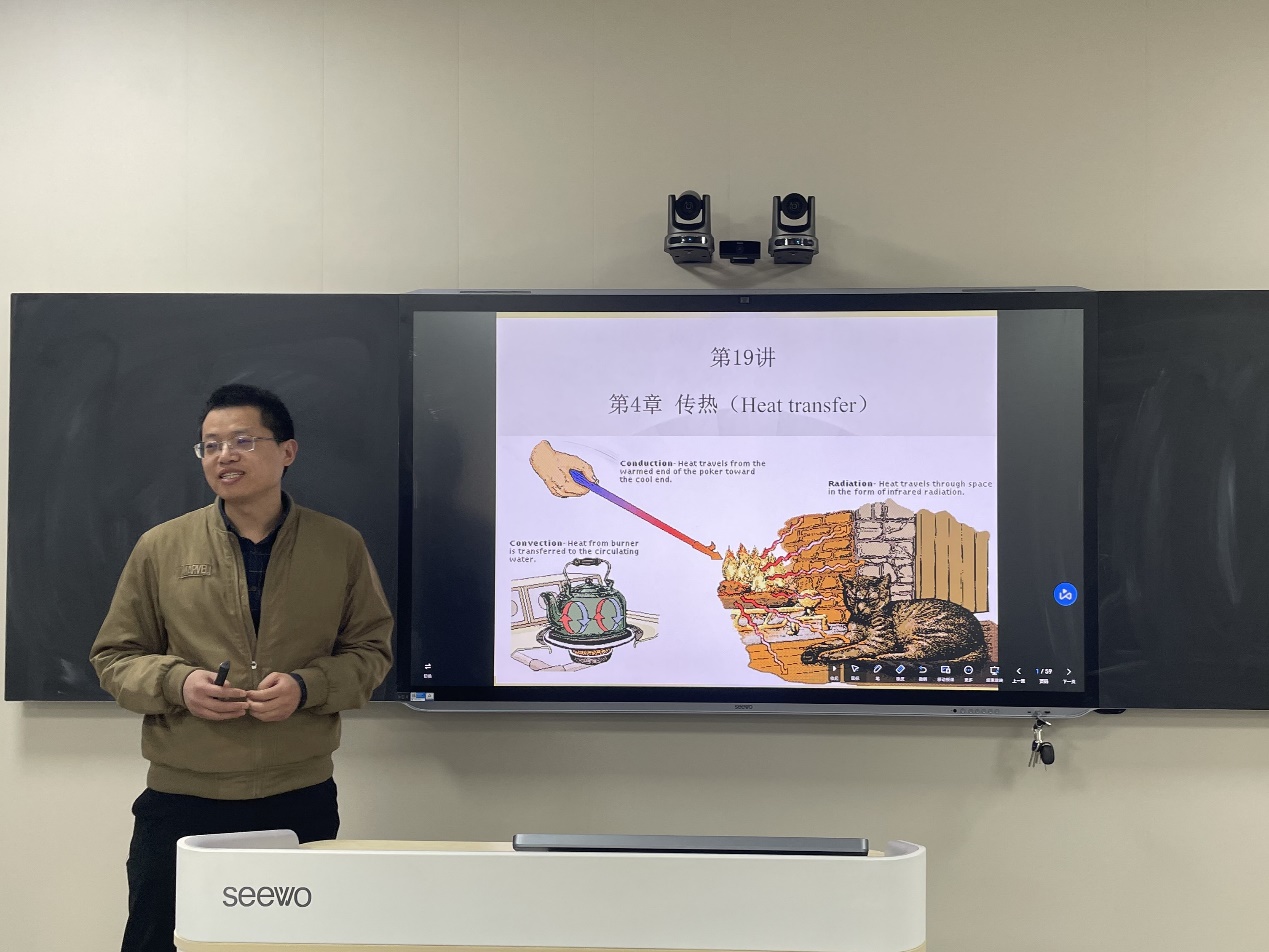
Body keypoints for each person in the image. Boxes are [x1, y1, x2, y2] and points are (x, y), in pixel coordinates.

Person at [90, 384, 394, 952]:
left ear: (287, 451)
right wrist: (178, 683)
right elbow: (114, 656)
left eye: (243, 441)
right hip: (181, 798)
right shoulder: (161, 546)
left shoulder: (339, 546)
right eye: (210, 445)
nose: (224, 455)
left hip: (298, 796)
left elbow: (371, 652)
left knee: (291, 945)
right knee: (157, 940)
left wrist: (307, 688)